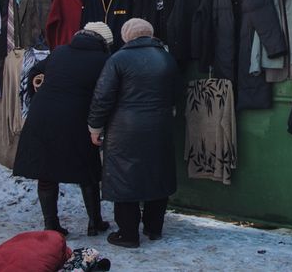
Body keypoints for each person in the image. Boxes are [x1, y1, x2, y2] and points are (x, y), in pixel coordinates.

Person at [13, 21, 114, 237]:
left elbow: (34, 73)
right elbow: (106, 93)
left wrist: (38, 86)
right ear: (104, 43)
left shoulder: (59, 52)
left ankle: (51, 226)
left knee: (46, 172)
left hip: (42, 115)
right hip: (76, 118)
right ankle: (94, 222)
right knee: (87, 171)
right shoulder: (104, 60)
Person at [88, 18, 178, 249]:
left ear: (126, 35)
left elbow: (102, 97)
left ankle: (128, 234)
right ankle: (154, 228)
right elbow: (176, 93)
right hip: (160, 125)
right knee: (158, 172)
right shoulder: (166, 57)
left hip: (125, 129)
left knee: (124, 176)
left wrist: (95, 127)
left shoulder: (118, 59)